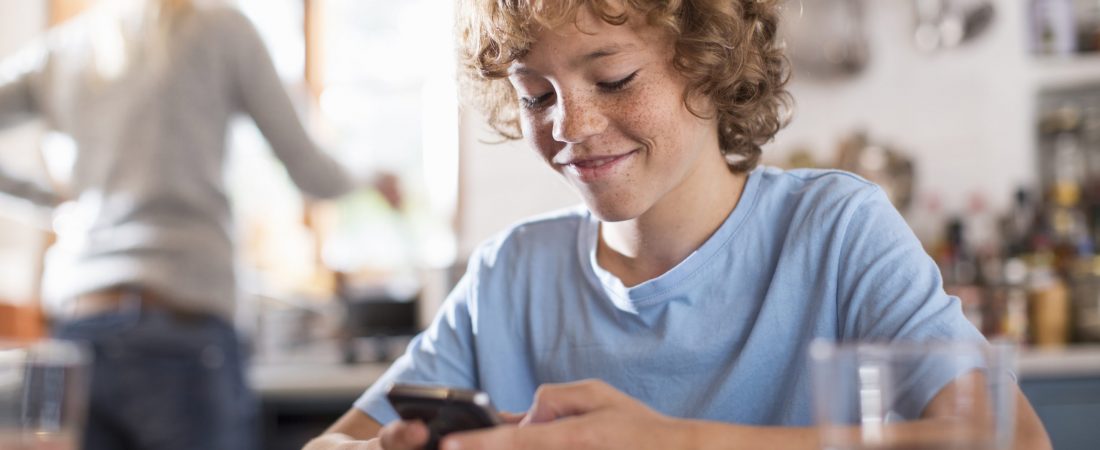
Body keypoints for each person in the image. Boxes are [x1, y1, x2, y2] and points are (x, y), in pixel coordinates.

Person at [306, 0, 1052, 449]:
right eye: (536, 95)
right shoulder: (510, 277)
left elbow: (1014, 441)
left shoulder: (835, 233)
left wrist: (673, 441)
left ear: (708, 58)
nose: (573, 124)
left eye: (614, 79)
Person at [0, 0, 393, 449]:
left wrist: (63, 204)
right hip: (179, 326)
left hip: (78, 327)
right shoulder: (220, 28)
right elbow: (311, 171)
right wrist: (372, 179)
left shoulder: (66, 47)